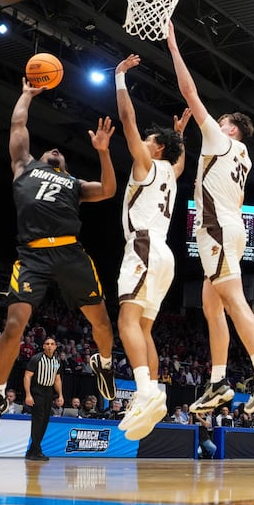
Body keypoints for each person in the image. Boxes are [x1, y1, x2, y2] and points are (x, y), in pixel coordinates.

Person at [0, 77, 118, 434]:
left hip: (70, 253)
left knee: (102, 323)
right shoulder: (24, 167)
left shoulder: (75, 185)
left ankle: (102, 363)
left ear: (65, 167)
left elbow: (109, 190)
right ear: (38, 159)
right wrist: (25, 94)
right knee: (12, 326)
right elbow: (18, 125)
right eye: (49, 150)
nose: (55, 149)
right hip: (32, 257)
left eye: (61, 153)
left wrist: (103, 151)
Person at [167, 22, 254, 415]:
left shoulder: (222, 140)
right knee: (211, 305)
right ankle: (218, 381)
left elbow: (188, 91)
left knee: (232, 301)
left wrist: (172, 40)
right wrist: (181, 138)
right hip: (232, 226)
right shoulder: (244, 157)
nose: (214, 124)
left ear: (232, 129)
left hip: (216, 228)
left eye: (221, 122)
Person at [112, 53, 189, 441]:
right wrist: (181, 136)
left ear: (155, 149)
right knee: (144, 328)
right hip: (164, 256)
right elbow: (180, 163)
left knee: (126, 322)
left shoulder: (146, 163)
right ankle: (153, 391)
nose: (142, 142)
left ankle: (143, 392)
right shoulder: (171, 174)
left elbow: (127, 122)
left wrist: (120, 78)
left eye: (149, 141)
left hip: (141, 245)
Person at [23, 336, 63, 461]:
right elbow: (27, 376)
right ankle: (36, 451)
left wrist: (60, 395)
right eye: (47, 343)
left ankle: (32, 451)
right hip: (37, 390)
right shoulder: (37, 359)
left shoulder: (57, 361)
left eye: (52, 344)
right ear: (44, 346)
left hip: (49, 392)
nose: (50, 346)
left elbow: (57, 379)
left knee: (45, 421)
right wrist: (28, 394)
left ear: (55, 346)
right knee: (38, 421)